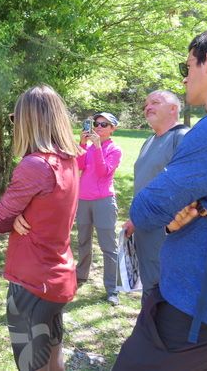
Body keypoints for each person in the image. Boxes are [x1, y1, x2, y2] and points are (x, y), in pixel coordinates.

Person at [114, 25, 207, 370]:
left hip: (196, 313)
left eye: (187, 67)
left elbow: (147, 208)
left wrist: (174, 204)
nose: (184, 78)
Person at [0, 85, 80, 371]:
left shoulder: (35, 165)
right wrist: (19, 212)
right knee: (54, 358)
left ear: (29, 121)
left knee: (33, 365)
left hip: (30, 282)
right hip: (57, 276)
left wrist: (15, 214)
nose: (14, 126)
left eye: (15, 119)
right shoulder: (69, 159)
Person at [122, 91, 188, 305]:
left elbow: (189, 187)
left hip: (168, 233)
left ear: (173, 109)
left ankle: (157, 332)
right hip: (144, 229)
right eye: (146, 104)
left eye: (155, 102)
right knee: (149, 286)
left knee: (163, 290)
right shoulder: (149, 141)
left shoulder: (182, 138)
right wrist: (134, 219)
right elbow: (145, 182)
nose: (147, 106)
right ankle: (149, 329)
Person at [75, 112, 122, 305]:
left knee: (108, 247)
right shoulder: (89, 146)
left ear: (113, 128)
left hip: (104, 201)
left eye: (104, 124)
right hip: (83, 199)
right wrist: (82, 143)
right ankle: (80, 275)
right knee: (83, 240)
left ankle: (112, 289)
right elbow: (78, 165)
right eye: (96, 124)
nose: (99, 127)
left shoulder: (115, 149)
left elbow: (103, 172)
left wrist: (97, 147)